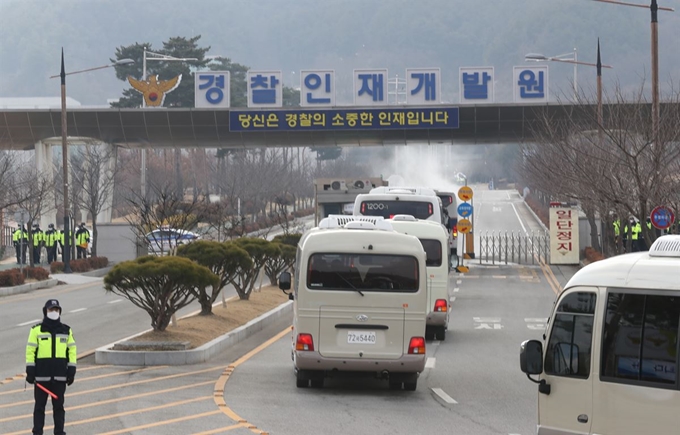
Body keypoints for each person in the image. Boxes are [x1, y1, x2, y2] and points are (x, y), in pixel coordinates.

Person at [25, 299, 77, 435]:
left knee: (59, 407)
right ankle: (37, 432)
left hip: (59, 377)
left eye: (56, 310)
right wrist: (30, 370)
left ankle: (59, 432)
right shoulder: (36, 330)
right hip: (41, 378)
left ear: (60, 312)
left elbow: (72, 350)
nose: (54, 312)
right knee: (39, 408)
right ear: (45, 311)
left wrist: (71, 370)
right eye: (51, 310)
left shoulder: (66, 330)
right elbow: (30, 351)